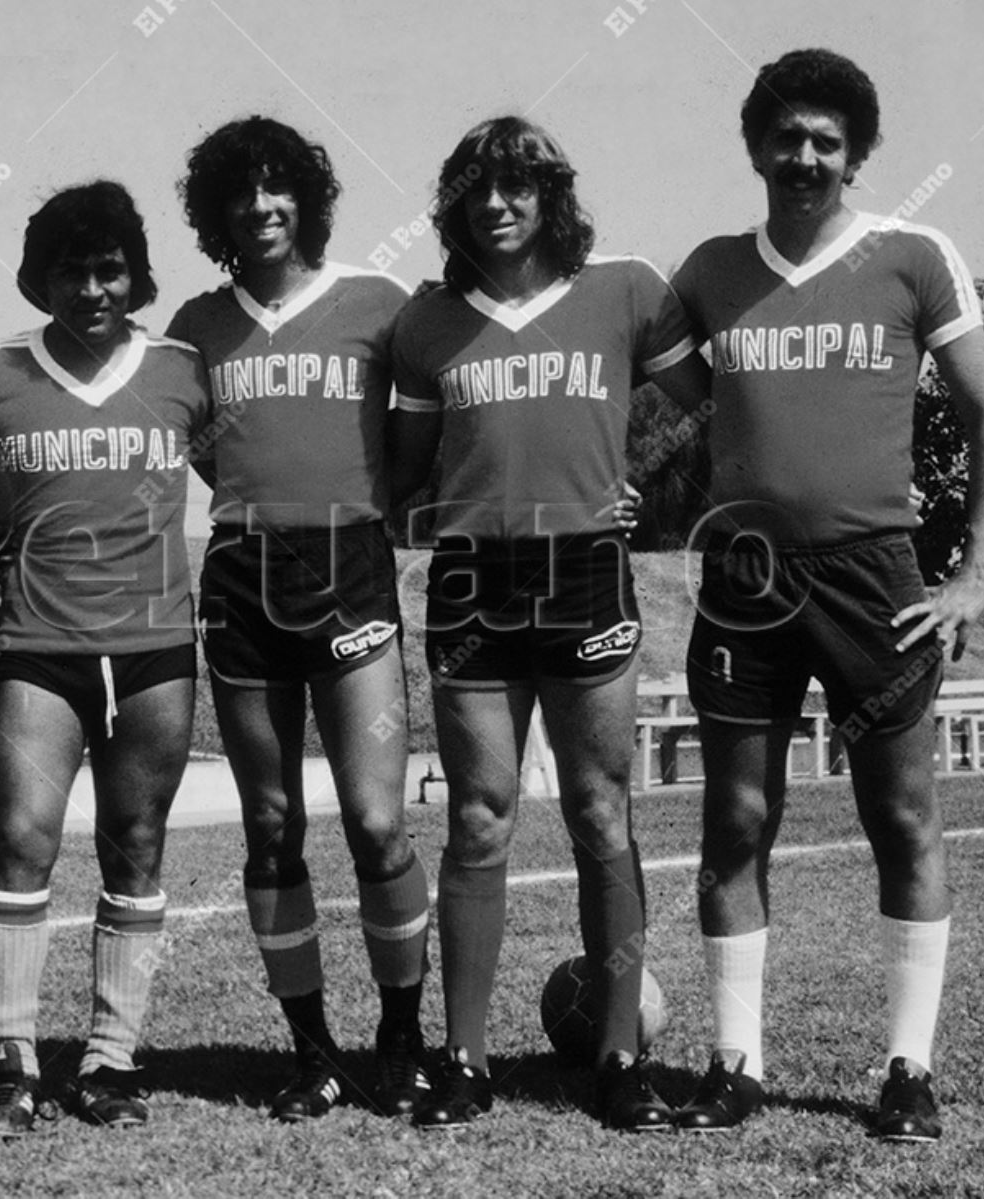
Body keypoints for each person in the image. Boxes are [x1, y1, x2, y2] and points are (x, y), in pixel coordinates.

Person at [668, 48, 984, 1143]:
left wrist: (974, 572)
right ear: (756, 146)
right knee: (736, 820)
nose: (806, 155)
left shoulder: (914, 255)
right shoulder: (712, 272)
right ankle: (736, 1065)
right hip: (747, 582)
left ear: (857, 152)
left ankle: (908, 1067)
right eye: (788, 137)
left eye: (828, 140)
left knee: (902, 815)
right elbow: (688, 408)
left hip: (877, 576)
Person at [390, 116, 710, 1131]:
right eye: (476, 188)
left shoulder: (624, 288)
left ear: (551, 193)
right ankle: (466, 1060)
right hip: (475, 577)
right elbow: (400, 476)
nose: (497, 202)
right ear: (456, 205)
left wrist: (643, 489)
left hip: (585, 568)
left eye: (518, 184)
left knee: (598, 808)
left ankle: (619, 1058)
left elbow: (708, 407)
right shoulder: (428, 322)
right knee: (479, 815)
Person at [168, 115, 429, 1121]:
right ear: (217, 213)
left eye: (279, 189)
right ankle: (313, 1049)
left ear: (307, 201)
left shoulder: (376, 303)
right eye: (240, 192)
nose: (261, 207)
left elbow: (417, 442)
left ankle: (400, 1031)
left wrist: (368, 512)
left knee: (374, 818)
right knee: (271, 824)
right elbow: (196, 446)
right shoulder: (196, 324)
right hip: (241, 571)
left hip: (350, 567)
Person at [0, 180, 212, 1137]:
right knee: (21, 838)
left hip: (155, 652)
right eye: (72, 269)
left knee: (134, 846)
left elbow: (251, 473)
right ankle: (11, 1058)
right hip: (37, 649)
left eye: (109, 268)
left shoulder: (184, 368)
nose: (92, 288)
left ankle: (111, 1056)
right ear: (39, 277)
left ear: (135, 274)